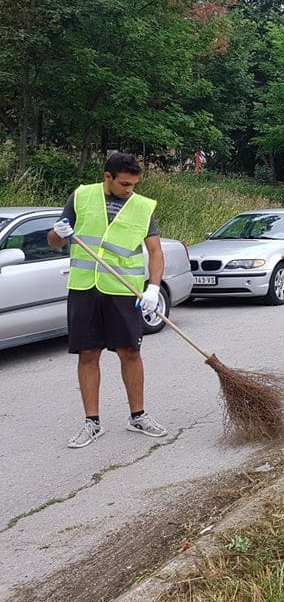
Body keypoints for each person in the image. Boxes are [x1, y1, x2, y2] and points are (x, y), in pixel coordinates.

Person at [47, 153, 167, 449]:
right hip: (85, 288)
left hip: (123, 291)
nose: (130, 190)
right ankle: (92, 423)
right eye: (125, 184)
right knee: (88, 354)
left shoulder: (141, 207)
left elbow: (155, 251)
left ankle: (137, 416)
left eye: (134, 185)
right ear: (108, 177)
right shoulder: (81, 196)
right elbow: (54, 240)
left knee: (130, 352)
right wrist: (59, 233)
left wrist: (153, 288)